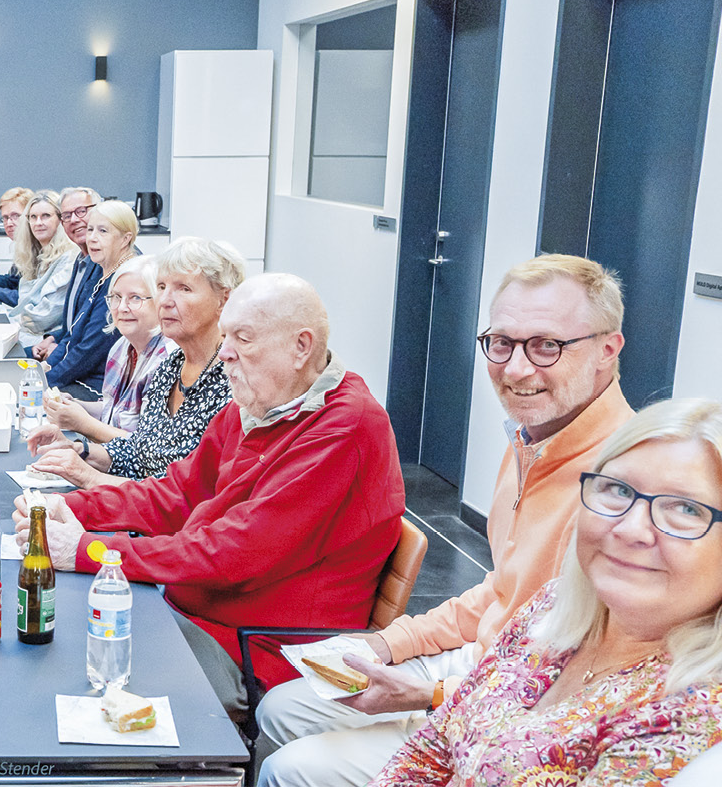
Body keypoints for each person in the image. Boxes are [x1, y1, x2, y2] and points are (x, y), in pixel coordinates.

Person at [256, 254, 634, 787]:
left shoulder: (625, 488)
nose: (518, 369)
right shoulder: (533, 437)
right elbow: (501, 589)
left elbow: (587, 683)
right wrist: (389, 642)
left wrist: (430, 695)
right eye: (501, 343)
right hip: (482, 663)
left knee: (290, 769)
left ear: (607, 350)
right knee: (282, 708)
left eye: (547, 346)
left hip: (528, 708)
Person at [14, 273, 405, 716]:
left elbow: (233, 553)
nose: (227, 355)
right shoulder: (261, 403)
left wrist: (86, 549)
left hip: (259, 650)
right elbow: (177, 495)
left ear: (301, 347)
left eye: (243, 339)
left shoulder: (346, 426)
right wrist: (70, 505)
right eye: (226, 338)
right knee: (53, 635)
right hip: (198, 612)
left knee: (64, 668)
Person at [373, 397, 722, 784]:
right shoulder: (552, 604)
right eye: (619, 490)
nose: (629, 529)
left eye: (687, 510)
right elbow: (434, 744)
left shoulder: (694, 714)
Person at [30, 240, 239, 487]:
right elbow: (140, 453)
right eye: (161, 287)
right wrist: (78, 449)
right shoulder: (171, 366)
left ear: (223, 300)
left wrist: (88, 476)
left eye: (183, 288)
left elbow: (186, 494)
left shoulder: (233, 381)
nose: (166, 301)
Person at [31, 256, 172, 443]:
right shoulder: (121, 348)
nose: (122, 307)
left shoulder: (167, 361)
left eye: (135, 298)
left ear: (160, 302)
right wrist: (76, 406)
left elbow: (146, 447)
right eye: (116, 297)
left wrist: (82, 423)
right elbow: (112, 410)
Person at [33, 199, 135, 395]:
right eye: (90, 230)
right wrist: (46, 369)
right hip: (84, 376)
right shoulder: (101, 269)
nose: (92, 238)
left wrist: (44, 382)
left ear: (125, 239)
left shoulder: (125, 280)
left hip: (102, 386)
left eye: (103, 231)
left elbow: (89, 350)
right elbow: (73, 333)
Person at [0, 190, 77, 346]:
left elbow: (43, 316)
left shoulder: (68, 259)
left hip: (46, 341)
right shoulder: (37, 254)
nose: (38, 223)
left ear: (60, 219)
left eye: (46, 216)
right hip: (30, 332)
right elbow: (22, 295)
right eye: (33, 217)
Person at [33, 186, 102, 361]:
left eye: (81, 211)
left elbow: (92, 343)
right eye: (66, 215)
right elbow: (75, 323)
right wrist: (53, 338)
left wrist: (53, 363)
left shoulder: (105, 265)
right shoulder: (80, 261)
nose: (74, 220)